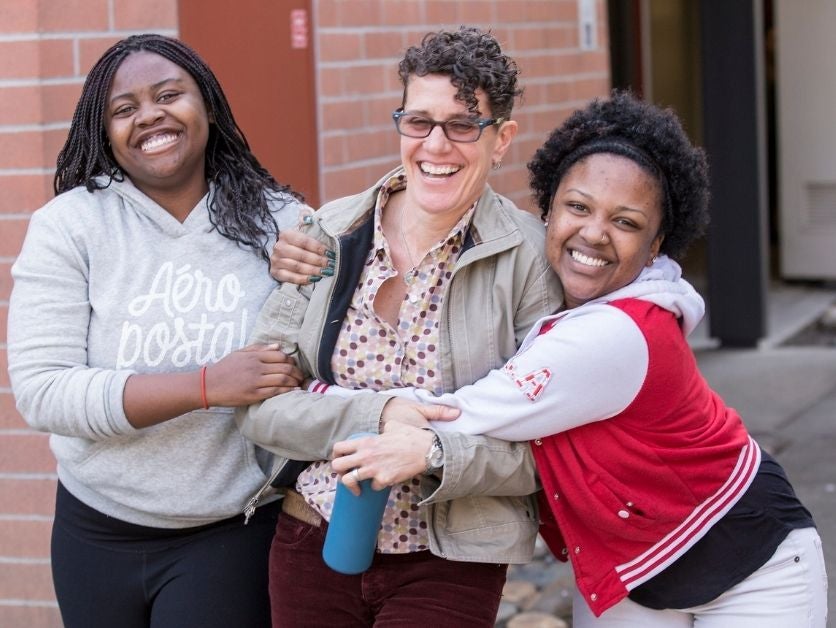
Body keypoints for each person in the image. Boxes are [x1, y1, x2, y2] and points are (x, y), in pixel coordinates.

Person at [310, 91, 828, 627]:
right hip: (628, 566)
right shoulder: (566, 301)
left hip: (751, 564)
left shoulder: (618, 332)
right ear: (549, 210)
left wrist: (322, 394)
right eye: (577, 207)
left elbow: (460, 413)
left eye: (625, 222)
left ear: (656, 248)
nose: (593, 233)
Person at [236, 26, 563, 627]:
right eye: (418, 122)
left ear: (502, 139)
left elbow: (548, 448)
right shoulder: (326, 233)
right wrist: (378, 414)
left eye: (463, 125)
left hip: (450, 558)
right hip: (312, 540)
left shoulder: (531, 262)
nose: (436, 145)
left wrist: (433, 450)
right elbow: (259, 407)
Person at [6, 34, 306, 628]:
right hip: (95, 530)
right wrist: (206, 385)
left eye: (170, 94)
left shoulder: (281, 224)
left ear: (210, 106)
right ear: (105, 130)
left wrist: (306, 282)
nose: (150, 115)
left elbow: (327, 362)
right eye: (124, 109)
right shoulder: (69, 228)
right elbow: (43, 391)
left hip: (229, 530)